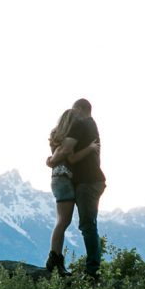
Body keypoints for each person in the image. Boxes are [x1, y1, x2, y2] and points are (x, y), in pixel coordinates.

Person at [44, 108, 100, 277]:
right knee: (63, 221)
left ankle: (55, 259)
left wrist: (50, 161)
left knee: (62, 221)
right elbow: (71, 158)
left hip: (59, 179)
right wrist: (90, 148)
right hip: (63, 179)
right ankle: (54, 260)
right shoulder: (66, 142)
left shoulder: (55, 137)